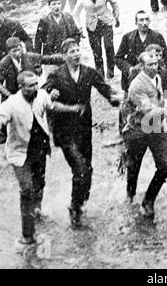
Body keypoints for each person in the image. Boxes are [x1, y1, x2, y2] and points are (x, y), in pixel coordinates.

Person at [0, 71, 84, 246]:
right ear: (21, 87)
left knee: (40, 183)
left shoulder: (41, 95)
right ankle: (27, 236)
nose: (35, 88)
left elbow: (52, 106)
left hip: (39, 148)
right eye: (30, 85)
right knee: (26, 190)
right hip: (20, 153)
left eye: (36, 84)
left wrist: (71, 109)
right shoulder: (11, 104)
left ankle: (37, 211)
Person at [43, 38, 121, 227]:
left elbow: (105, 90)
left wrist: (116, 98)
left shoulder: (89, 72)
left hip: (84, 128)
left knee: (88, 169)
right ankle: (74, 209)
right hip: (64, 131)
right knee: (80, 170)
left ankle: (81, 203)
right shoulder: (56, 75)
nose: (76, 54)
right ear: (64, 56)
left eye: (78, 50)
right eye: (72, 52)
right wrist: (50, 93)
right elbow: (43, 95)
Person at [122, 51, 167, 219]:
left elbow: (161, 94)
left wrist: (166, 102)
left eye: (156, 64)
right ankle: (129, 197)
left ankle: (148, 200)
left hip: (155, 128)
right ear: (141, 66)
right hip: (137, 130)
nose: (154, 67)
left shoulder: (158, 77)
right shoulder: (136, 85)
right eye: (149, 65)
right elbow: (148, 109)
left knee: (165, 166)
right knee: (134, 168)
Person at [115, 10, 167, 91]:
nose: (144, 23)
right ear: (136, 23)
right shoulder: (128, 37)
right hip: (133, 78)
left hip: (153, 77)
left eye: (147, 19)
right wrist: (129, 69)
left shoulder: (157, 37)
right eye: (141, 20)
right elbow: (118, 58)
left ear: (150, 21)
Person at [0, 37, 64, 102]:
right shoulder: (5, 62)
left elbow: (48, 59)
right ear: (9, 52)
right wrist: (9, 95)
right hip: (13, 96)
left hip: (30, 94)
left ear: (21, 48)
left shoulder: (30, 57)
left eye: (19, 50)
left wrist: (66, 58)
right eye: (14, 51)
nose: (17, 53)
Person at [73, 0, 120, 79]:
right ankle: (100, 72)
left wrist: (116, 16)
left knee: (109, 47)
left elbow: (115, 2)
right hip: (92, 26)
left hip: (106, 23)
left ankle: (111, 71)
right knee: (97, 51)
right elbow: (76, 13)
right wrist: (79, 27)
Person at [34, 0, 82, 80]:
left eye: (59, 3)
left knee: (70, 83)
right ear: (49, 6)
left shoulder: (68, 17)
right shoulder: (44, 21)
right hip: (50, 58)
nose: (57, 7)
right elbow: (38, 43)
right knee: (52, 83)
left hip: (66, 57)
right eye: (54, 4)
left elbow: (77, 34)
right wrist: (37, 63)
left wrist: (72, 46)